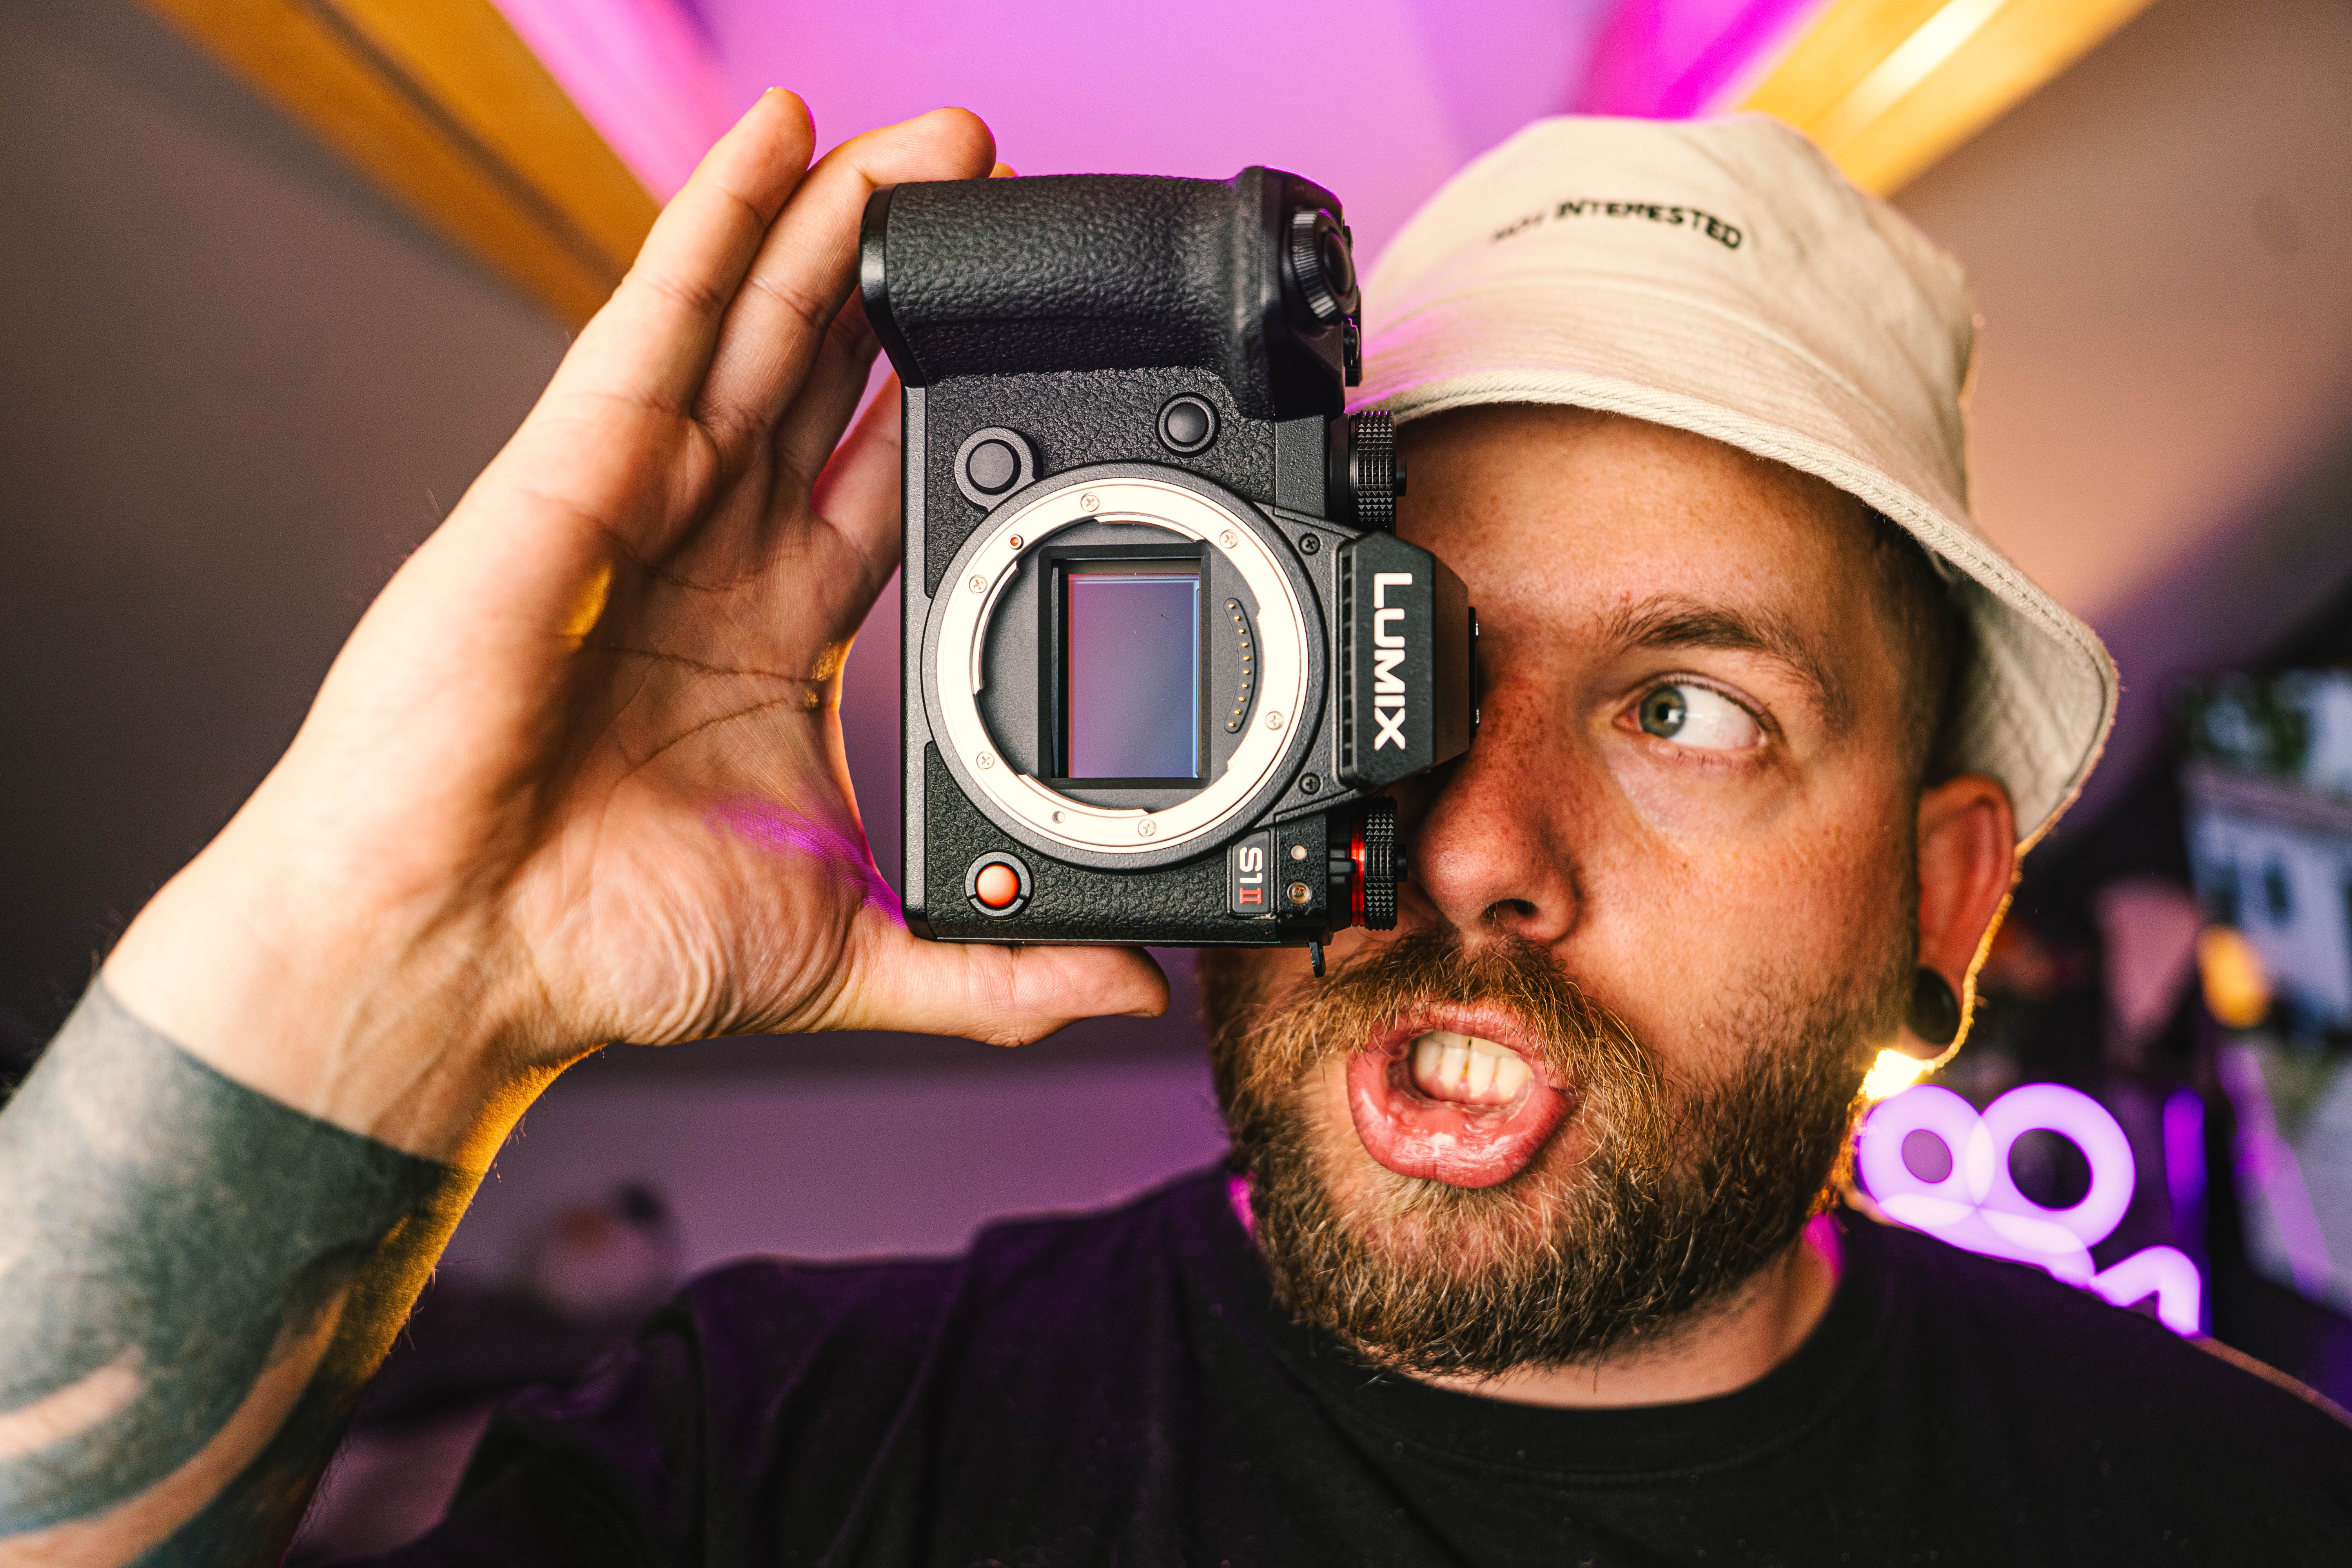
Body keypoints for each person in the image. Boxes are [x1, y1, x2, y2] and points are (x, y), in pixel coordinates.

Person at [0, 93, 2344, 1568]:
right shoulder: (783, 1465)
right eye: (1388, 663)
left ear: (1945, 896)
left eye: (1685, 709)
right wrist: (404, 954)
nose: (1468, 847)